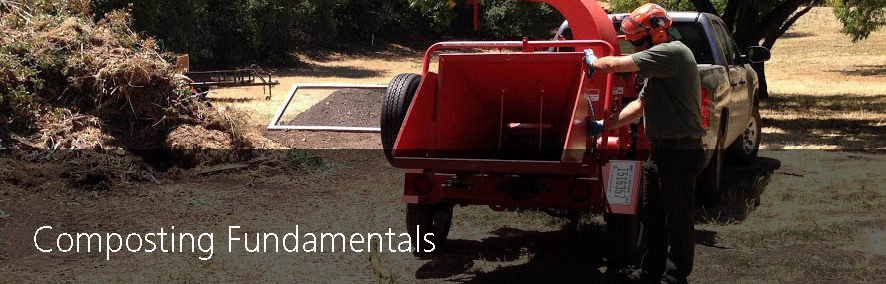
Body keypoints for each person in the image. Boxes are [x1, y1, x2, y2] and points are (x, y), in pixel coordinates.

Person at [585, 3, 707, 284]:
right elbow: (640, 105)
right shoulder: (658, 69)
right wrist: (606, 125)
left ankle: (676, 277)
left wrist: (594, 62)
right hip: (661, 151)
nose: (636, 48)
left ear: (658, 33)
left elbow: (615, 65)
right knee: (651, 214)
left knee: (678, 219)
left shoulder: (672, 53)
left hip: (680, 151)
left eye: (638, 41)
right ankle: (651, 271)